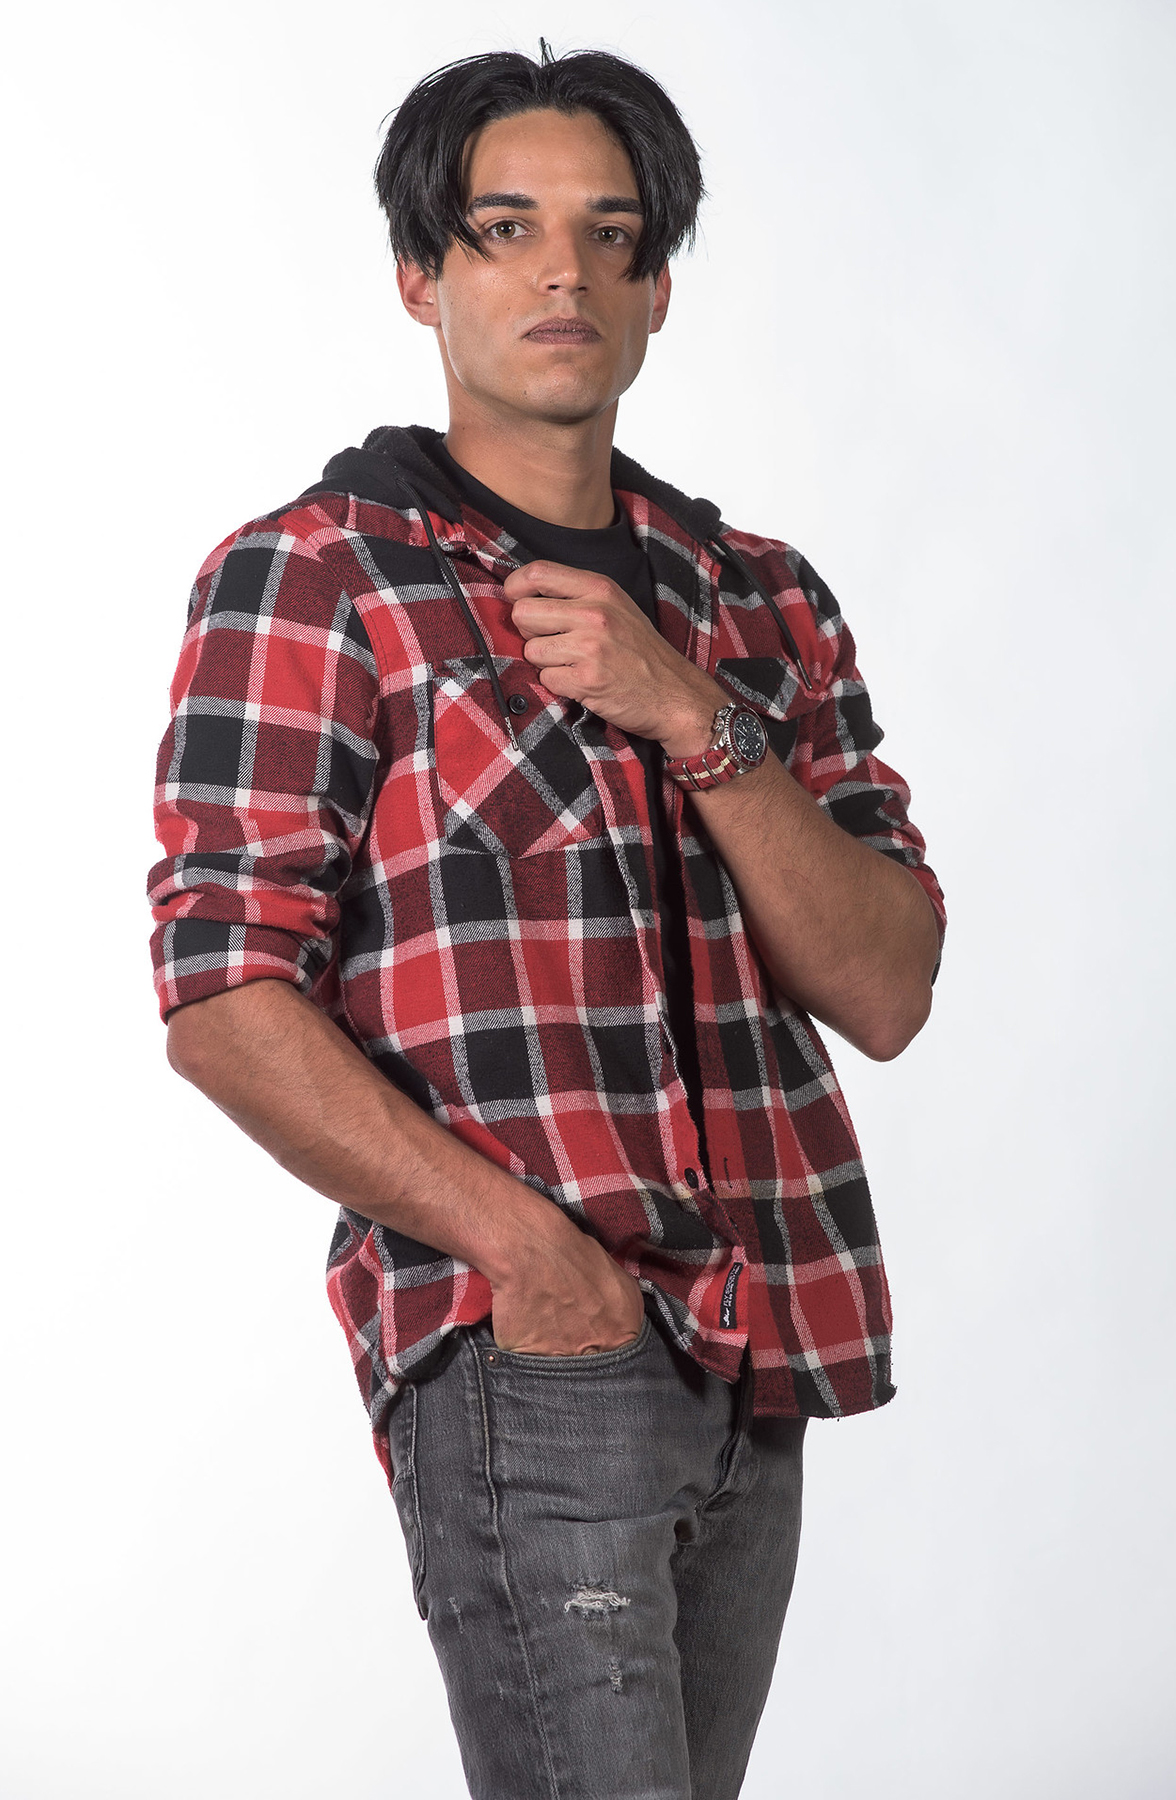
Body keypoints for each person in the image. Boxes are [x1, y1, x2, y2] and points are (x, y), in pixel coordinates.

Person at [149, 44, 945, 1800]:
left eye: (611, 234)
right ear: (419, 275)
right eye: (504, 229)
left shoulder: (761, 602)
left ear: (660, 286)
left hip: (765, 1347)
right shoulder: (323, 575)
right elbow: (223, 995)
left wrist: (692, 712)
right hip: (528, 1353)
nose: (562, 274)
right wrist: (525, 1257)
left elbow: (886, 986)